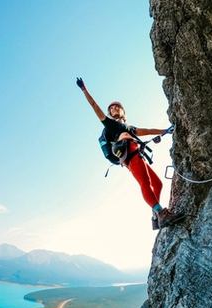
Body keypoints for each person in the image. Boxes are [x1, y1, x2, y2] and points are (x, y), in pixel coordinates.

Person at [76, 77, 184, 230]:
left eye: (116, 107)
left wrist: (165, 131)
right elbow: (94, 106)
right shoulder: (110, 125)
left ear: (123, 111)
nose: (113, 108)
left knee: (158, 183)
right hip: (130, 155)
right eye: (111, 108)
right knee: (145, 183)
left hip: (136, 153)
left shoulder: (128, 127)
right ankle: (161, 214)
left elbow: (146, 131)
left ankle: (155, 216)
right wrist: (84, 89)